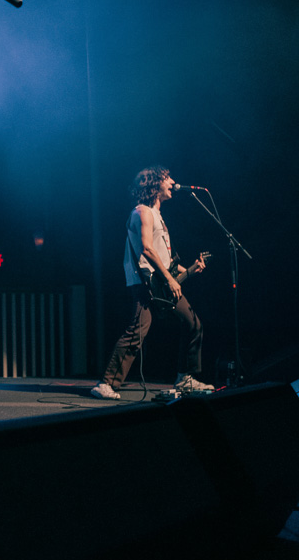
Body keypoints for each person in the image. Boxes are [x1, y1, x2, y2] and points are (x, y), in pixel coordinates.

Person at [91, 165, 214, 400]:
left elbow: (165, 259)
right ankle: (106, 384)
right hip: (145, 282)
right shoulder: (142, 212)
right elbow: (147, 248)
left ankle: (185, 378)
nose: (173, 182)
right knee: (138, 330)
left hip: (160, 280)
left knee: (193, 323)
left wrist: (190, 269)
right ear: (154, 185)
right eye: (168, 179)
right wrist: (170, 279)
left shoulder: (158, 215)